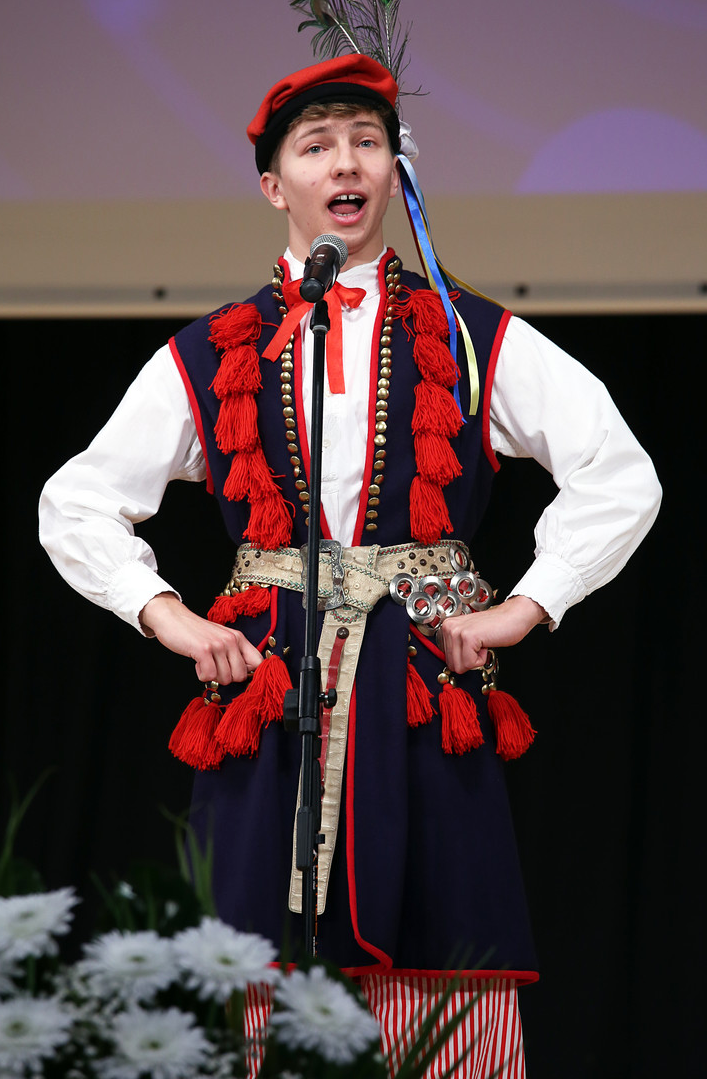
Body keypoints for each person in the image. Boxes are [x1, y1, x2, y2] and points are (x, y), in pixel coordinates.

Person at [39, 53, 661, 1076]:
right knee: (256, 964)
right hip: (272, 689)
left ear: (394, 171)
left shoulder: (469, 335)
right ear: (272, 184)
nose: (346, 163)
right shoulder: (213, 351)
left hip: (417, 687)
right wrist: (169, 615)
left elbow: (617, 472)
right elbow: (76, 502)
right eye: (318, 145)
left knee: (443, 959)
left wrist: (524, 606)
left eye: (367, 142)